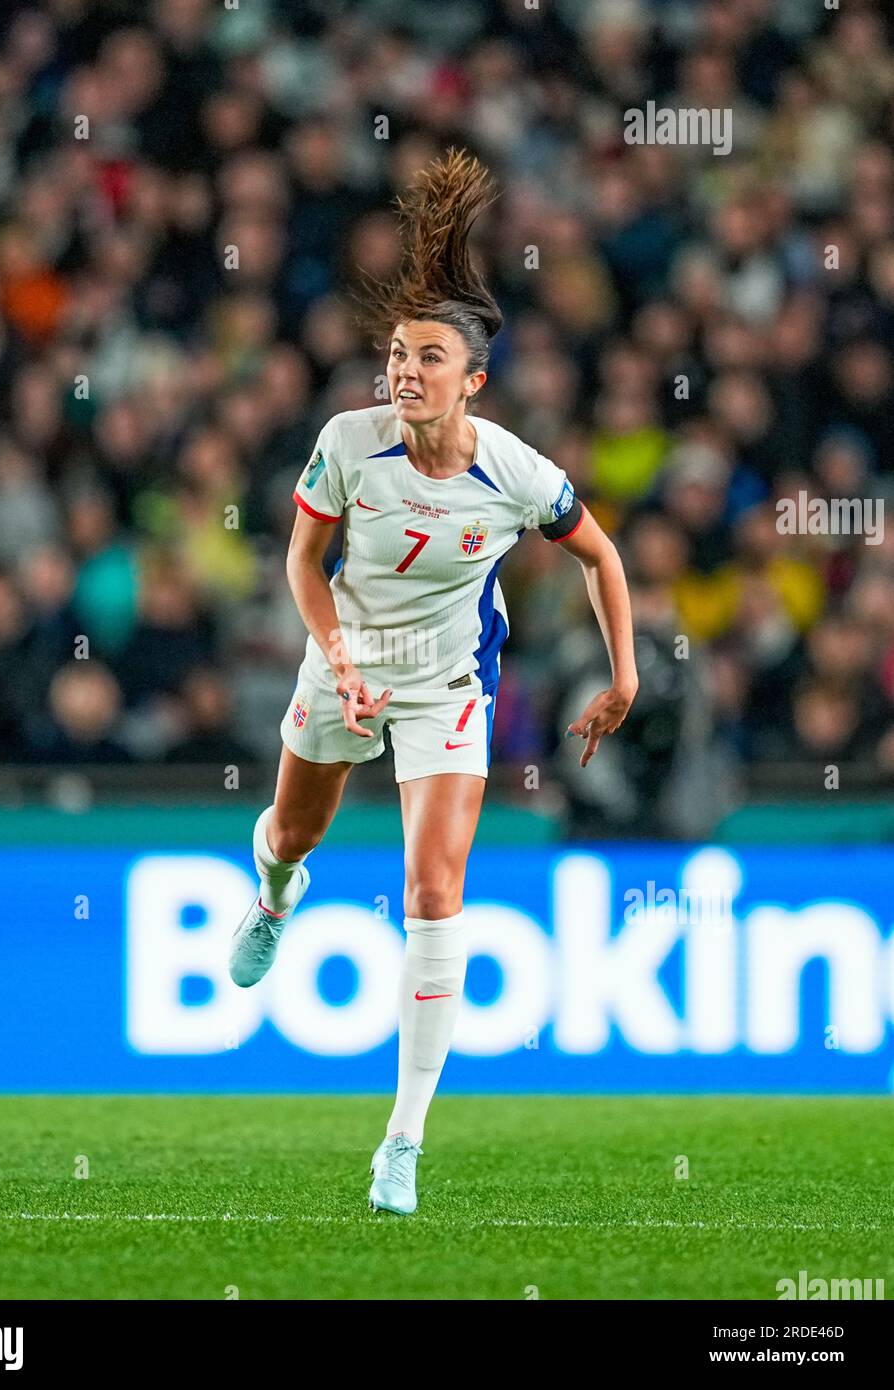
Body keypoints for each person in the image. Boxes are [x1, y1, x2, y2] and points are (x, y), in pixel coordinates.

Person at [229, 150, 638, 1215]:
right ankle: (274, 893)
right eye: (397, 354)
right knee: (292, 833)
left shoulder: (513, 472)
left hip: (449, 681)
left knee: (432, 892)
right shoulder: (346, 446)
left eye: (427, 358)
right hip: (348, 661)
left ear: (473, 379)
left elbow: (599, 555)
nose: (403, 371)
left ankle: (399, 1140)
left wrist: (623, 671)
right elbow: (298, 564)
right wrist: (338, 656)